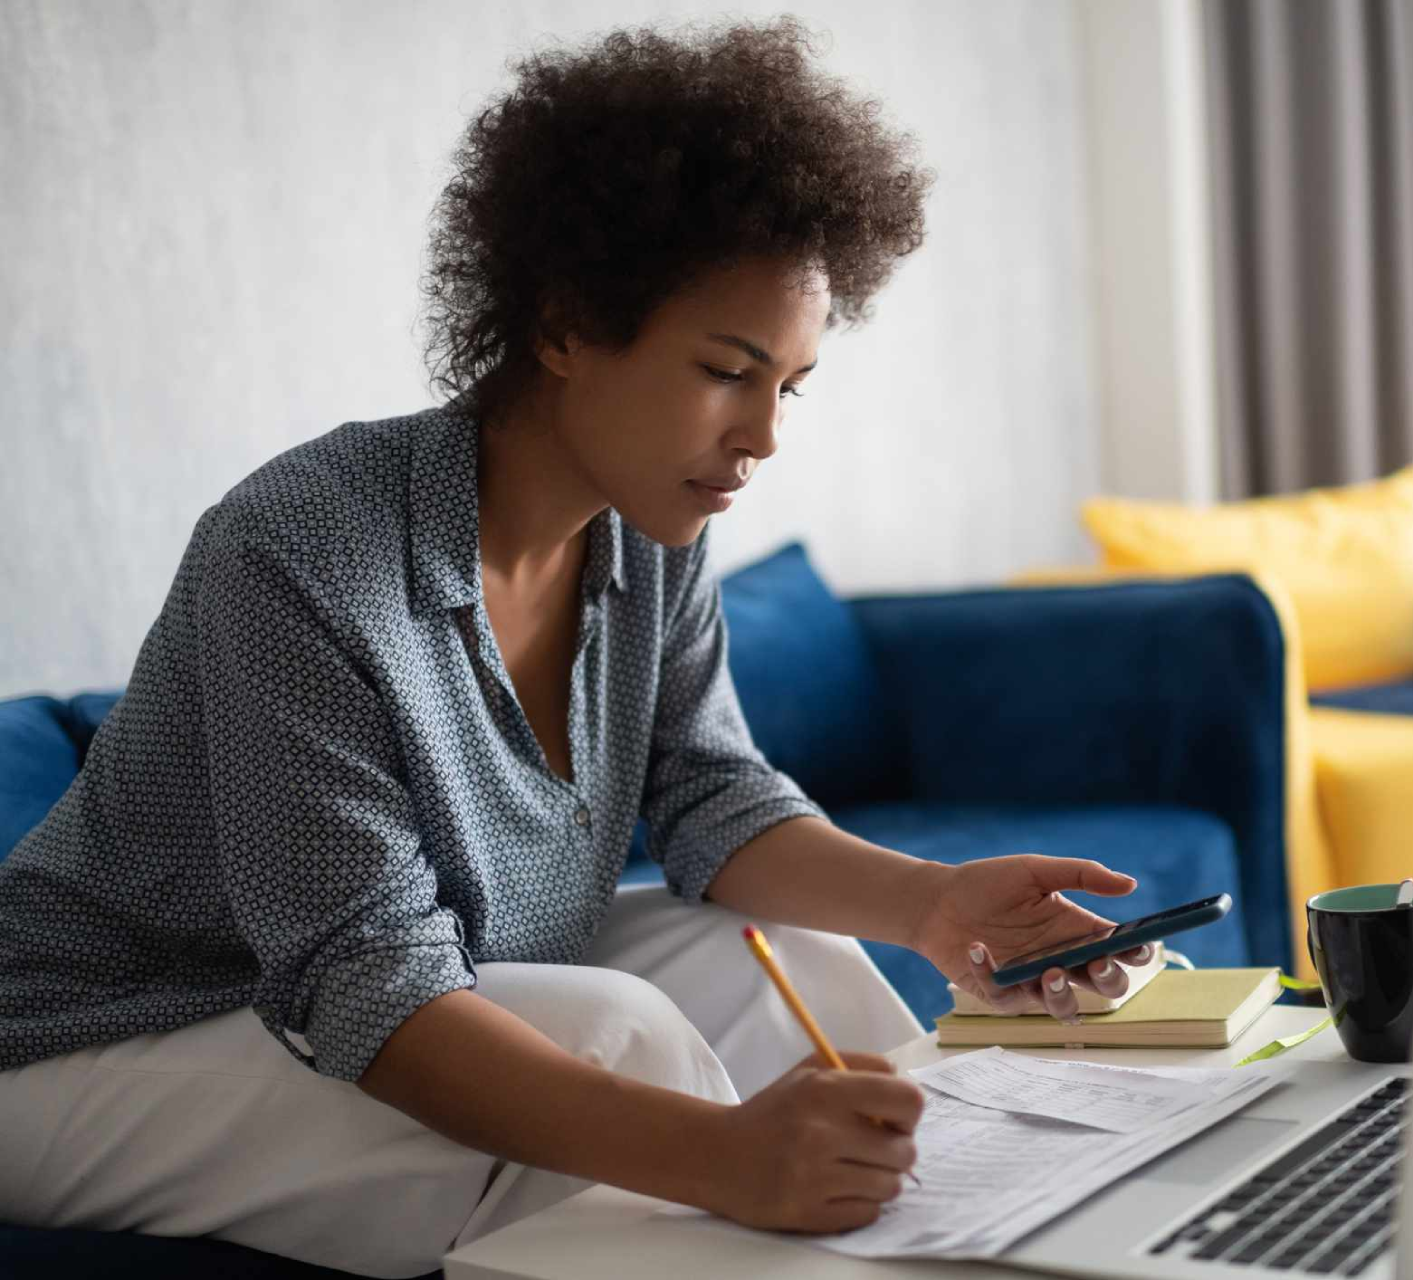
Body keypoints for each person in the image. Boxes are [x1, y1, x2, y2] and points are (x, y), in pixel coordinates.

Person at [0, 18, 1154, 1278]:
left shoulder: (651, 527)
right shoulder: (303, 549)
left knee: (783, 962)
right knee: (618, 1030)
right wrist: (719, 1154)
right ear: (562, 324)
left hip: (400, 973)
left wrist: (934, 905)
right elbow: (363, 982)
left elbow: (712, 799)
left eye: (792, 383)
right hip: (92, 1041)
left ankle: (973, 1238)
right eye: (727, 369)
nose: (763, 435)